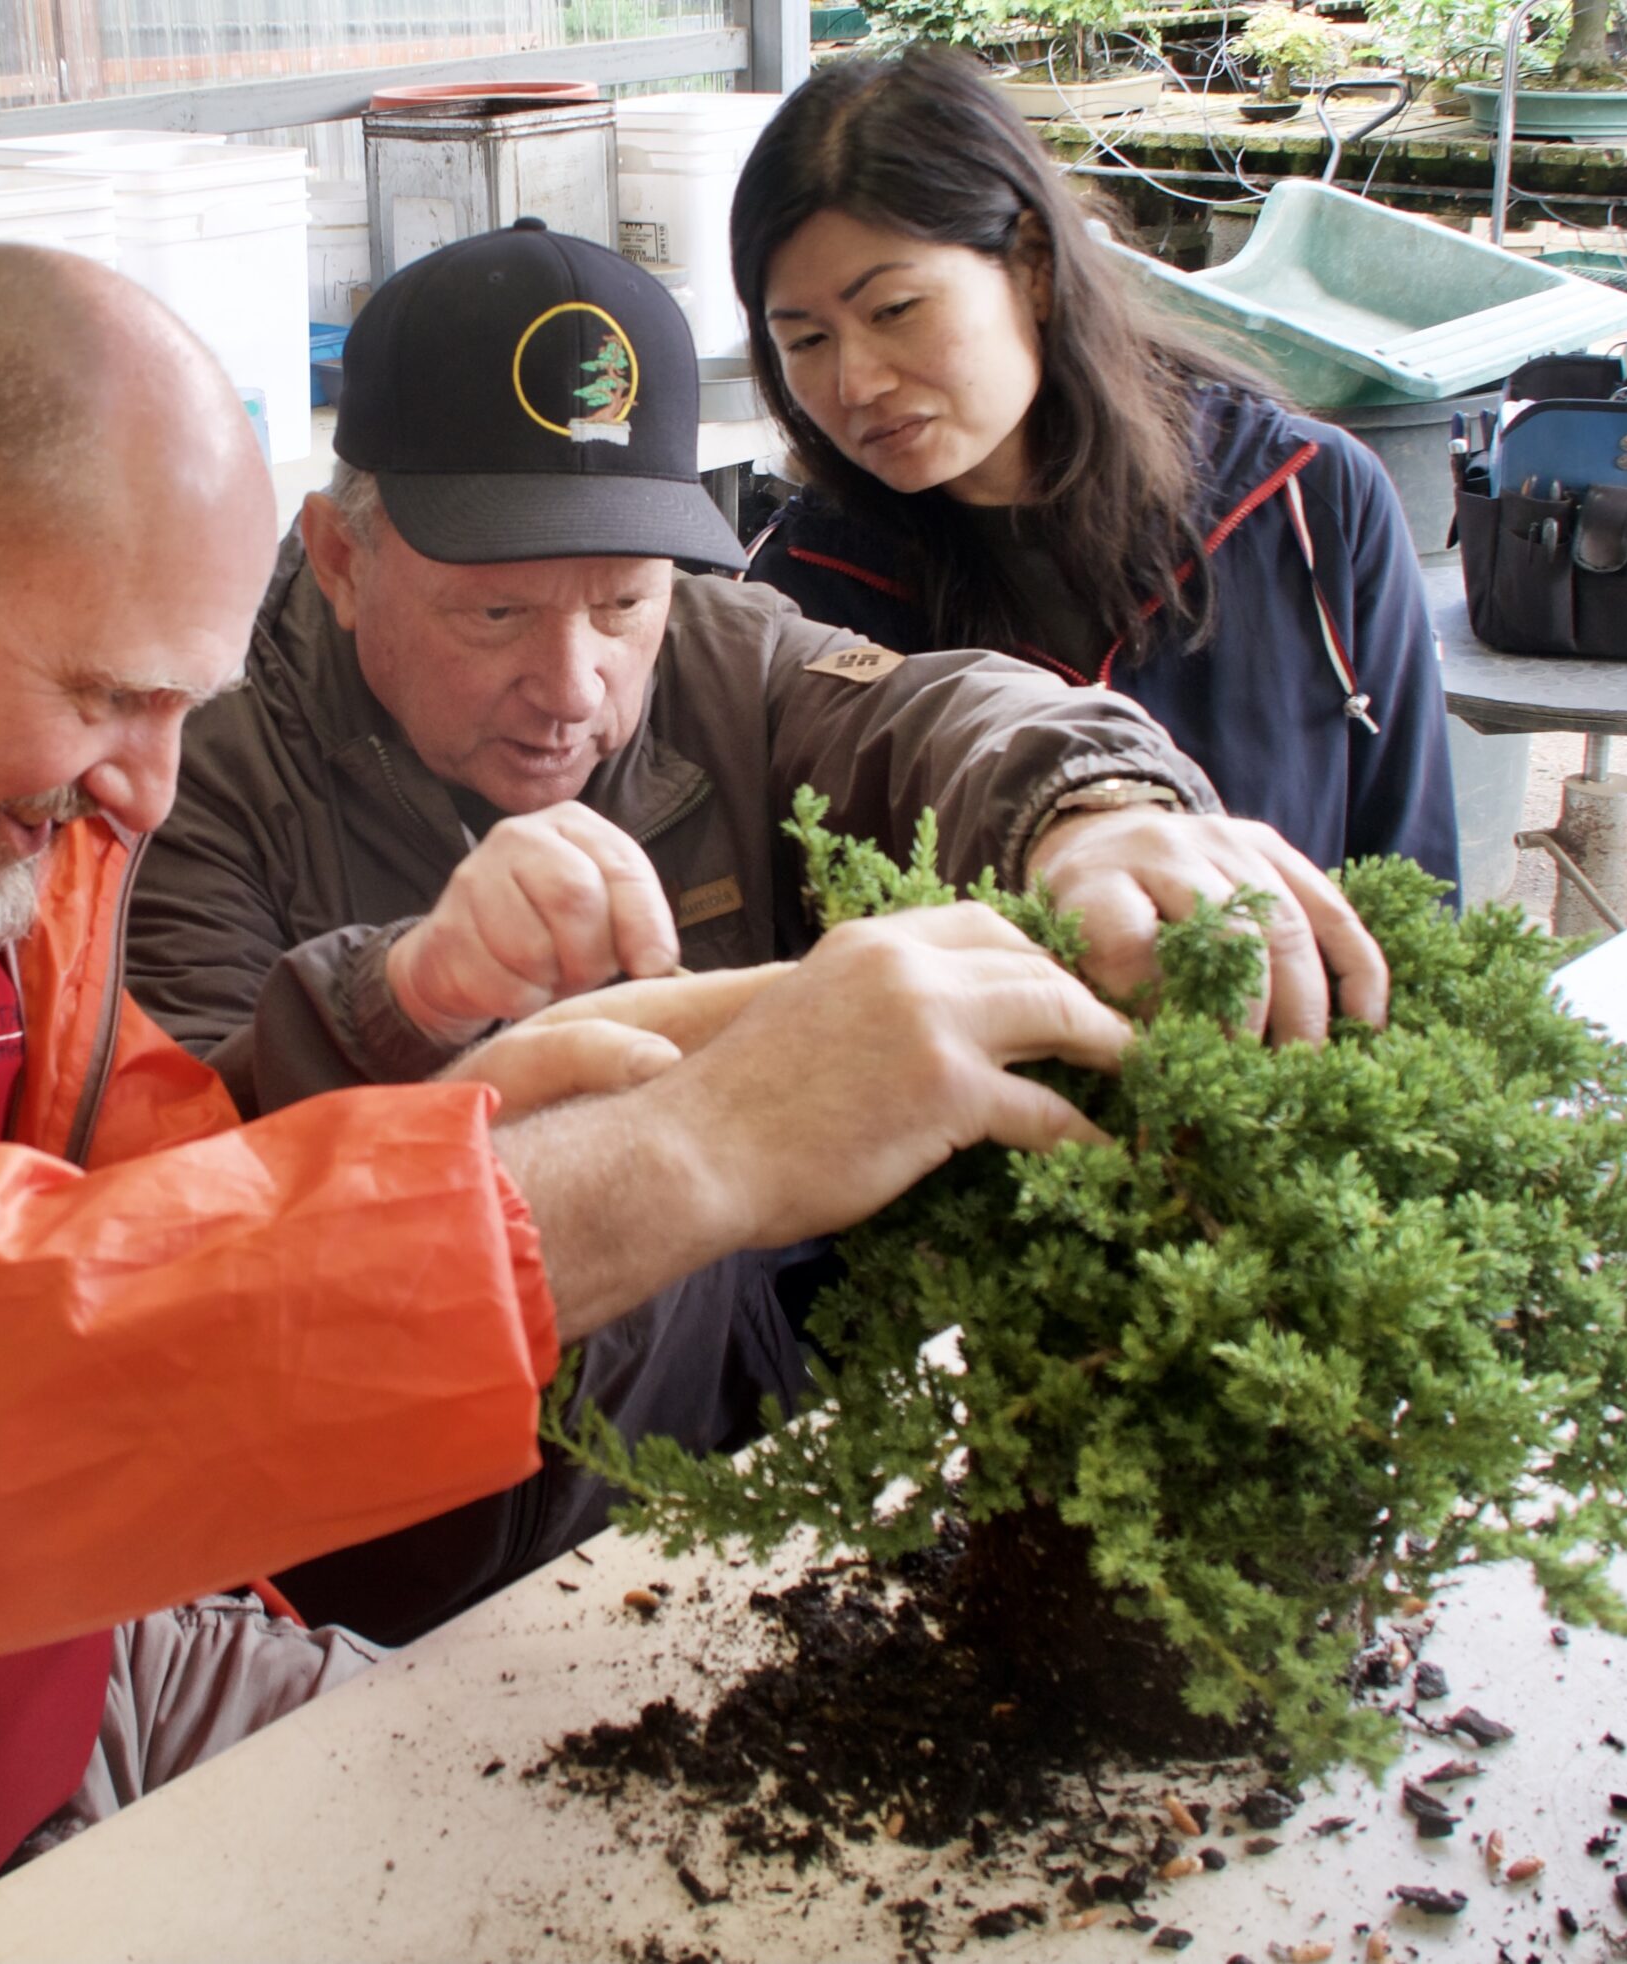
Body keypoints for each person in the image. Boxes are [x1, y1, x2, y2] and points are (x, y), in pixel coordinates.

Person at [0, 242, 1212, 1964]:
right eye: (111, 701)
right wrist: (675, 1158)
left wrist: (493, 1112)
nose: (144, 796)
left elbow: (156, 1196)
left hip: (78, 1696)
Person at [126, 219, 1392, 1646]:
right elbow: (162, 1215)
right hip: (356, 1582)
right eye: (495, 612)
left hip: (717, 1527)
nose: (573, 685)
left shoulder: (728, 661)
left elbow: (932, 710)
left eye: (623, 602)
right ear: (342, 557)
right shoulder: (186, 769)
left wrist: (1091, 806)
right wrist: (406, 995)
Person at [731, 47, 1461, 889]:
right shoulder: (807, 592)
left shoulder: (1305, 502)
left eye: (894, 309)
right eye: (806, 341)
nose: (855, 382)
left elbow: (1413, 886)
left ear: (1034, 267)